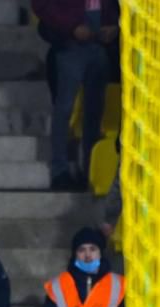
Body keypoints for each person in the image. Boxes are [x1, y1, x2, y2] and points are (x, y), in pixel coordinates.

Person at [32, 0, 119, 189]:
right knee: (64, 110)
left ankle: (90, 171)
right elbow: (41, 5)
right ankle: (60, 171)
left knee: (94, 113)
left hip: (100, 46)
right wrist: (72, 26)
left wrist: (113, 25)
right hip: (70, 46)